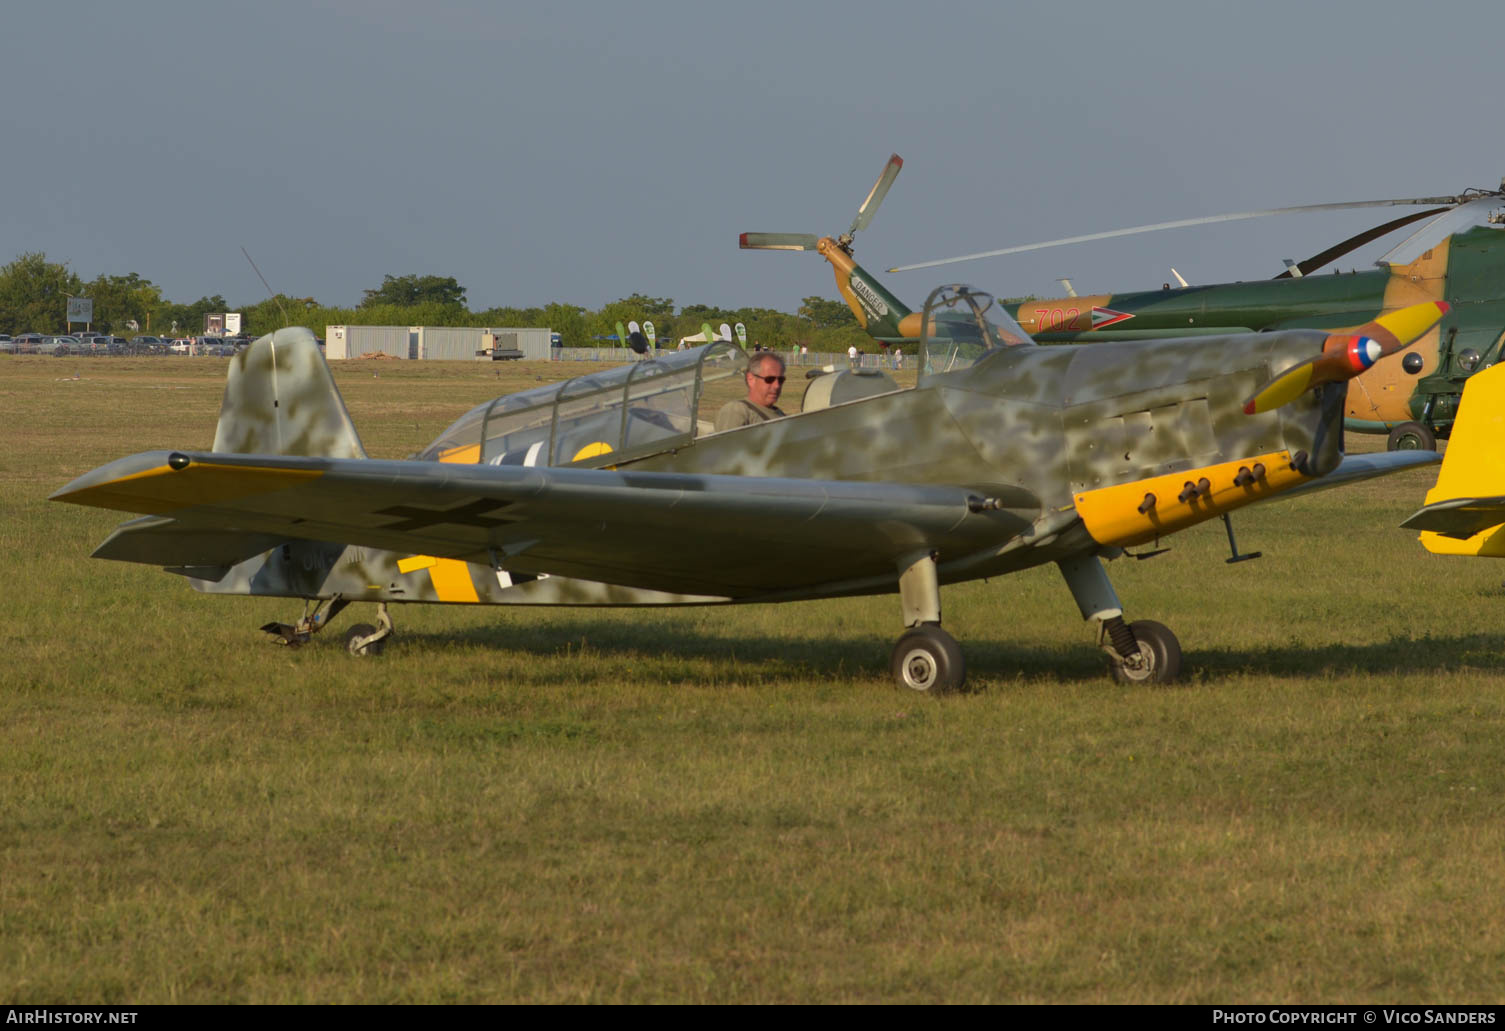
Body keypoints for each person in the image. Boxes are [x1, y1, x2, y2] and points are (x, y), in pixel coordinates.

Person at [714, 352, 788, 432]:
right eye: (769, 379)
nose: (777, 386)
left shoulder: (779, 414)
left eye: (780, 380)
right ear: (751, 379)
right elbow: (728, 443)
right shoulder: (737, 410)